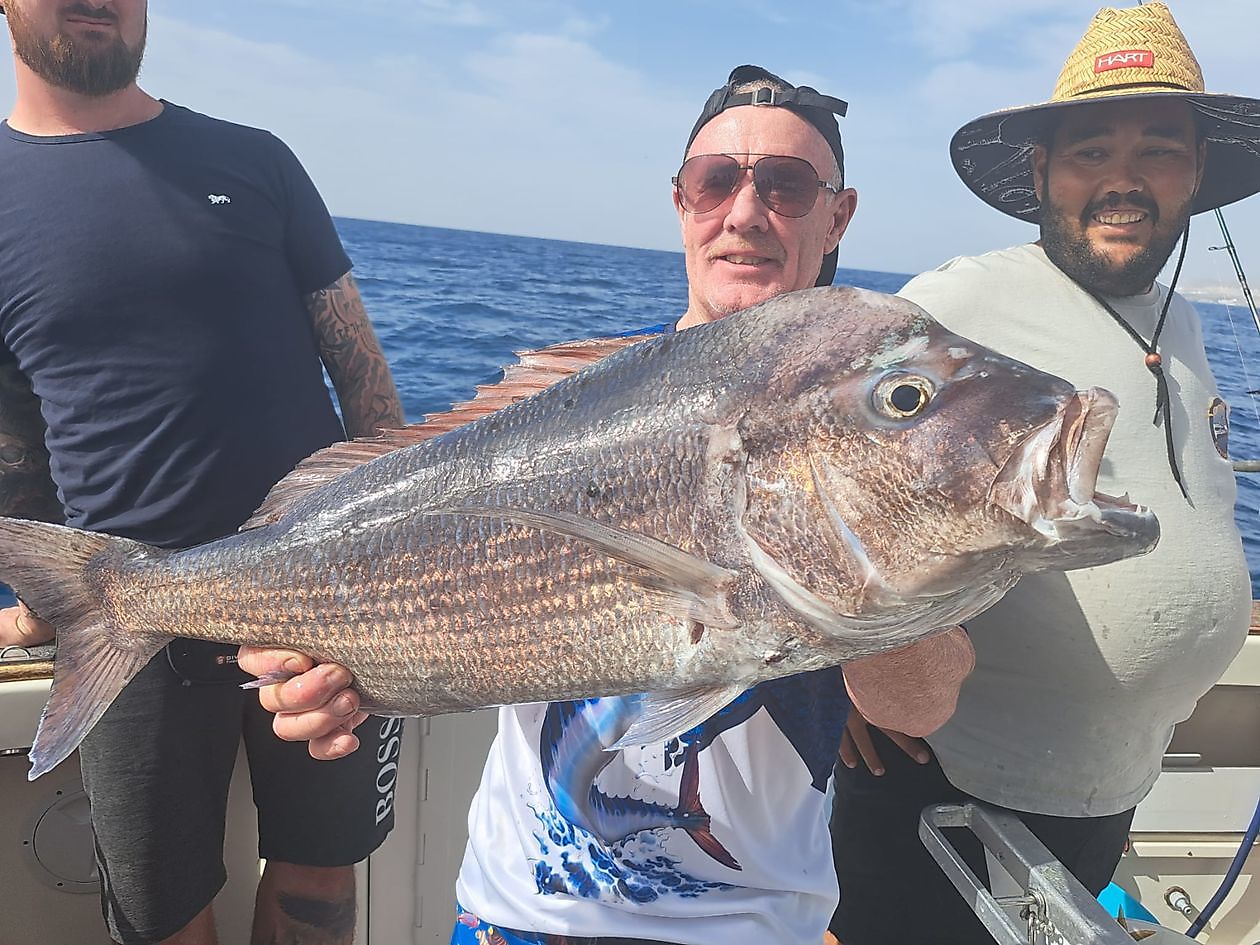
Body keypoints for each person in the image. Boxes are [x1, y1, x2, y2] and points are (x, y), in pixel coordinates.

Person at [240, 65, 977, 945]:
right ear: (681, 203)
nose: (745, 212)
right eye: (715, 181)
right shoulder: (573, 404)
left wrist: (874, 556)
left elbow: (920, 706)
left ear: (838, 216)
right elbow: (437, 605)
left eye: (786, 185)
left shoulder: (881, 422)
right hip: (518, 917)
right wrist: (339, 678)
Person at [829, 5, 1258, 943]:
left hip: (1108, 787)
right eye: (1091, 151)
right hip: (945, 795)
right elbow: (821, 467)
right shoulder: (961, 300)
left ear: (1196, 171)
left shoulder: (1178, 320)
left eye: (1157, 150)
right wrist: (841, 672)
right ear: (1040, 173)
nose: (1122, 179)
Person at [0, 1, 407, 943]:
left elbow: (360, 370)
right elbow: (14, 442)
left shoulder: (256, 160)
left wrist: (404, 550)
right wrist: (40, 606)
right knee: (163, 920)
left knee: (320, 883)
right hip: (128, 625)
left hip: (324, 593)